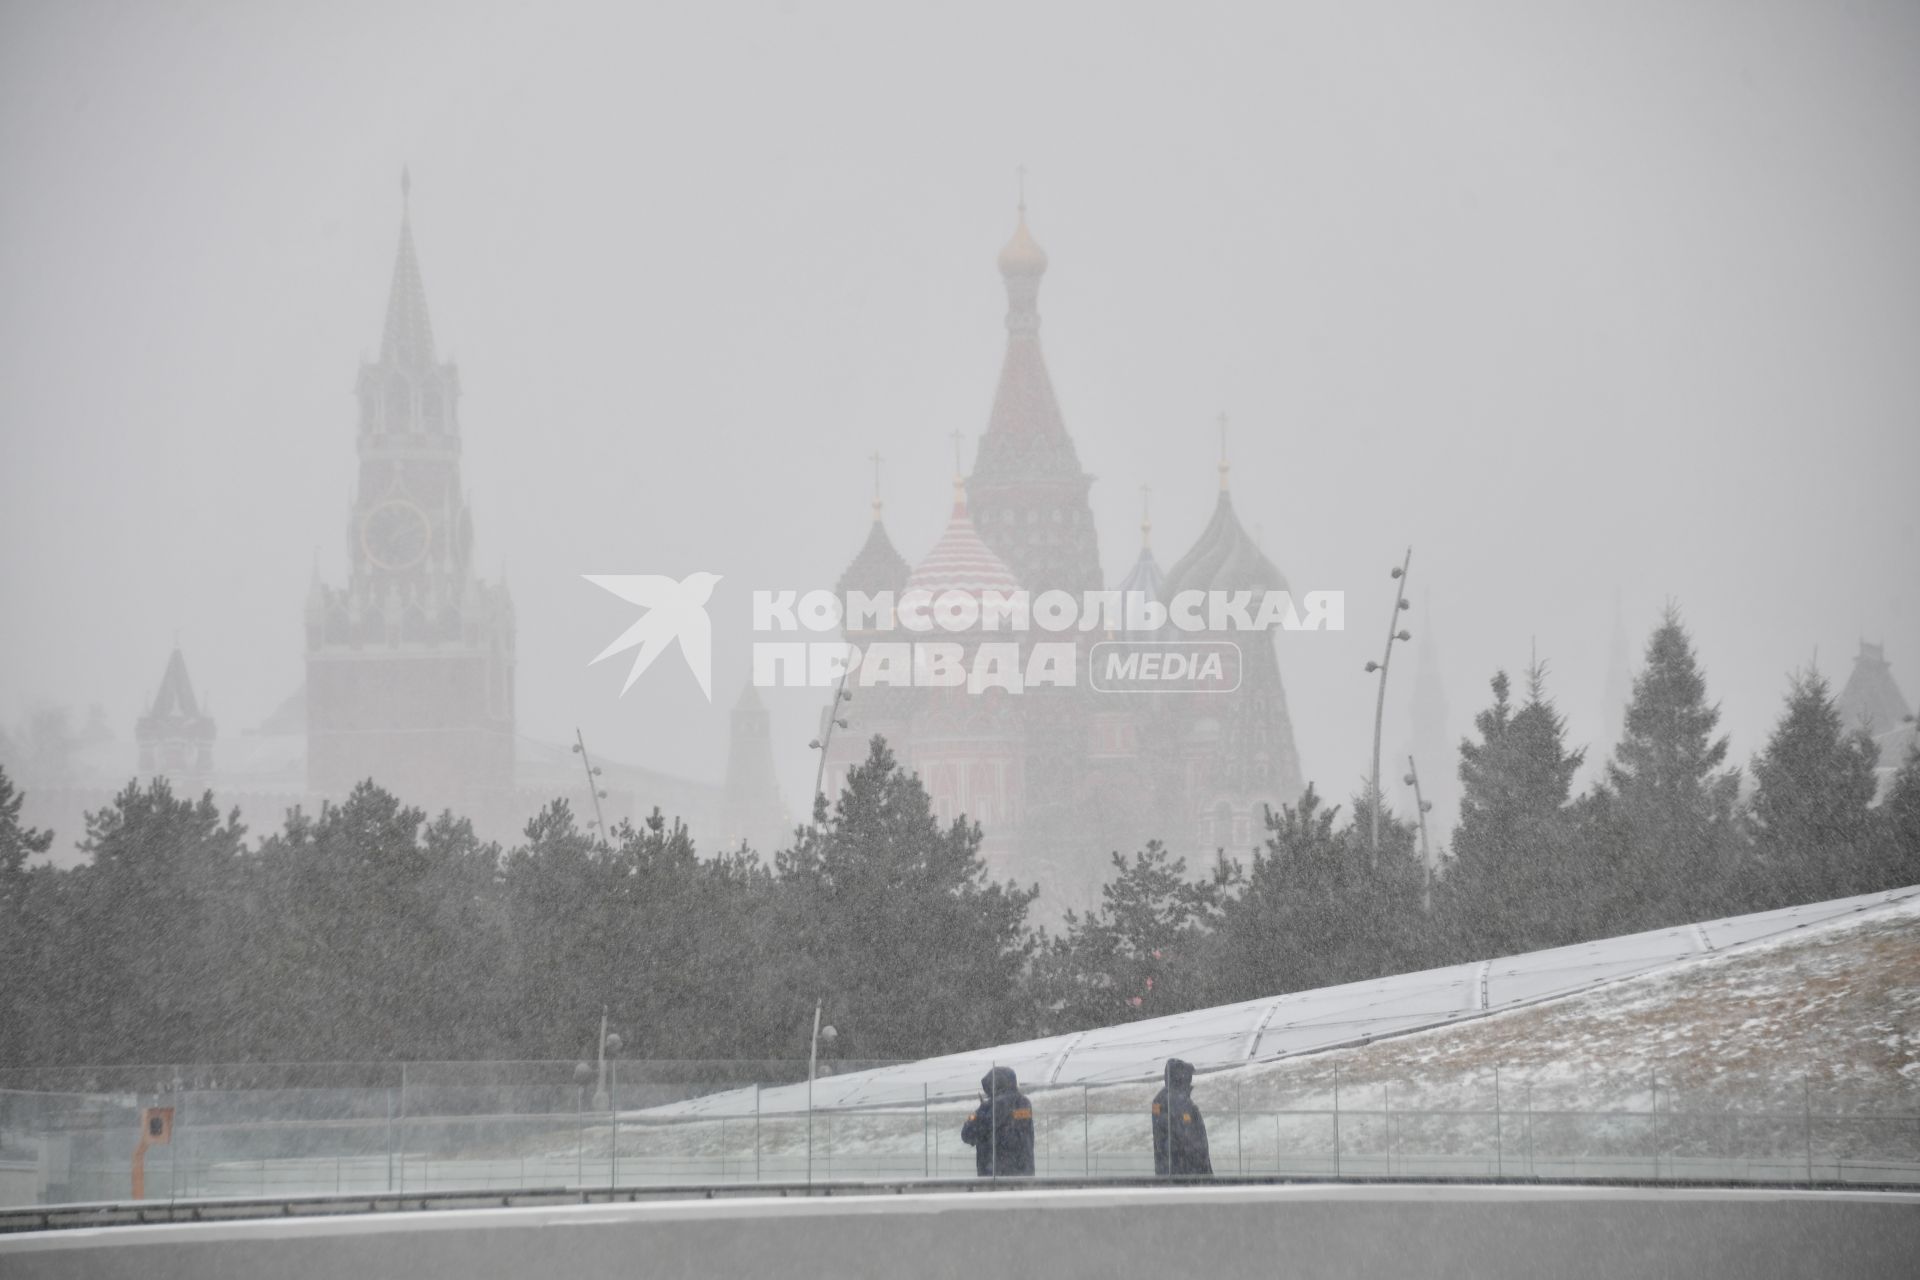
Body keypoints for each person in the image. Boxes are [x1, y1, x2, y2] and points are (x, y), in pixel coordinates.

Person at [960, 1065, 1035, 1177]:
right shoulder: (1024, 1103)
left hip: (995, 1174)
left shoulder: (992, 1106)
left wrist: (976, 1114)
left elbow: (967, 1134)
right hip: (1024, 1172)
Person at [1151, 1058, 1212, 1177]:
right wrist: (1203, 1168)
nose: (1190, 1080)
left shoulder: (1165, 1098)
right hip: (1186, 1170)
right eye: (1189, 1076)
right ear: (1181, 1078)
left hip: (1173, 1168)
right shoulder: (1176, 1101)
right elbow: (1187, 1137)